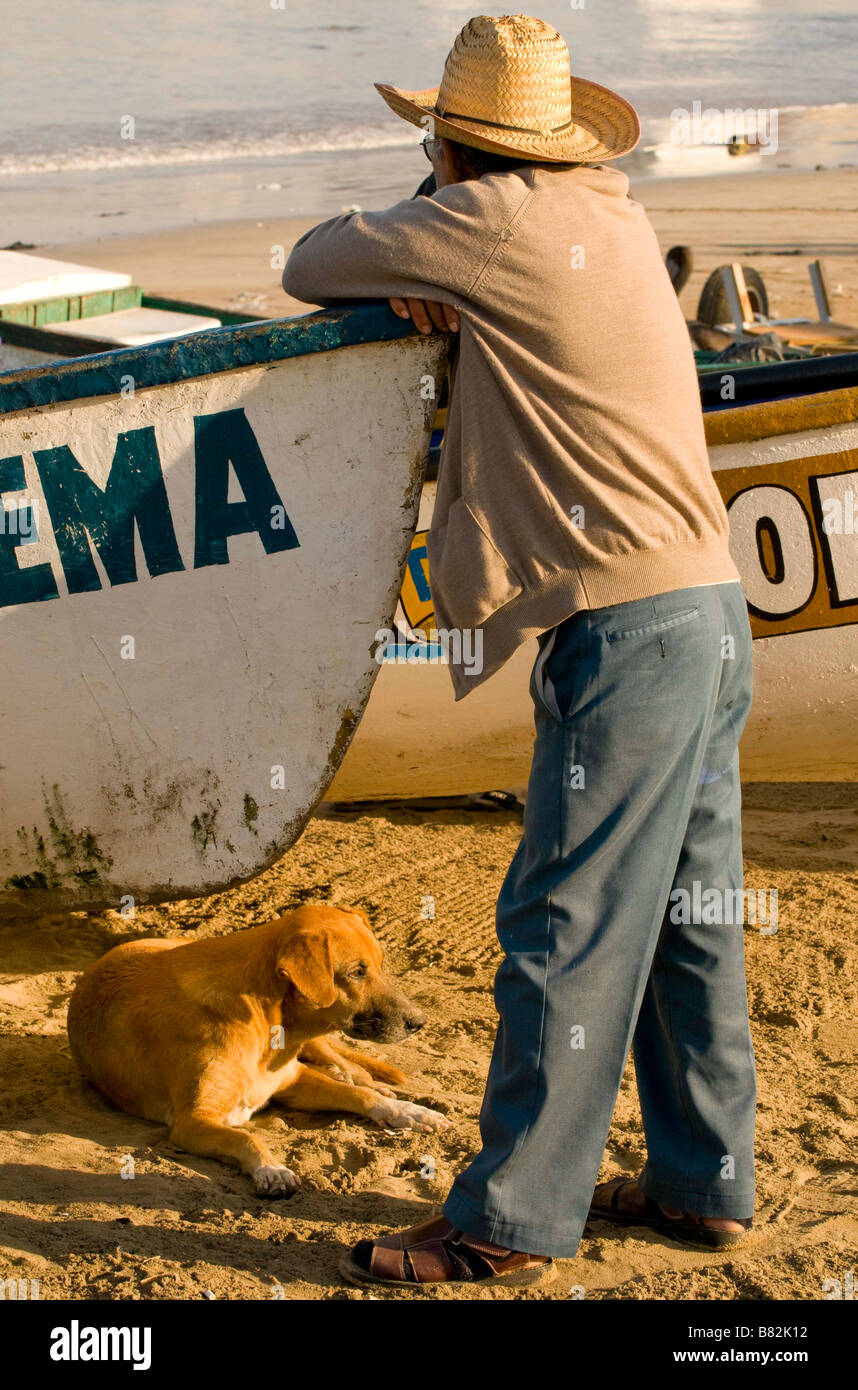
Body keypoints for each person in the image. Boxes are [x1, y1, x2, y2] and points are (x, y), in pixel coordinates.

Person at [283, 13, 756, 1289]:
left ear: (452, 141)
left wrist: (423, 220)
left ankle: (509, 1216)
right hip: (709, 614)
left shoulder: (483, 221)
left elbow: (308, 256)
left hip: (628, 631)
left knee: (564, 919)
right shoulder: (607, 217)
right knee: (689, 916)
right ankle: (702, 1179)